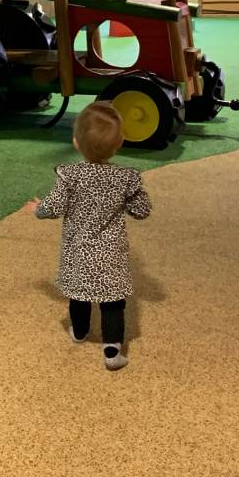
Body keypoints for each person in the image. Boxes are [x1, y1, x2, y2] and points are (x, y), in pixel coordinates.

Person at [27, 101, 151, 370]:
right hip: (111, 254)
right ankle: (112, 351)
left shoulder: (70, 176)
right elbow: (142, 210)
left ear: (76, 142)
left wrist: (38, 209)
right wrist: (128, 200)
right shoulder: (125, 178)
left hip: (79, 251)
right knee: (112, 301)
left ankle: (80, 332)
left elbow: (54, 206)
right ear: (119, 143)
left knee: (79, 294)